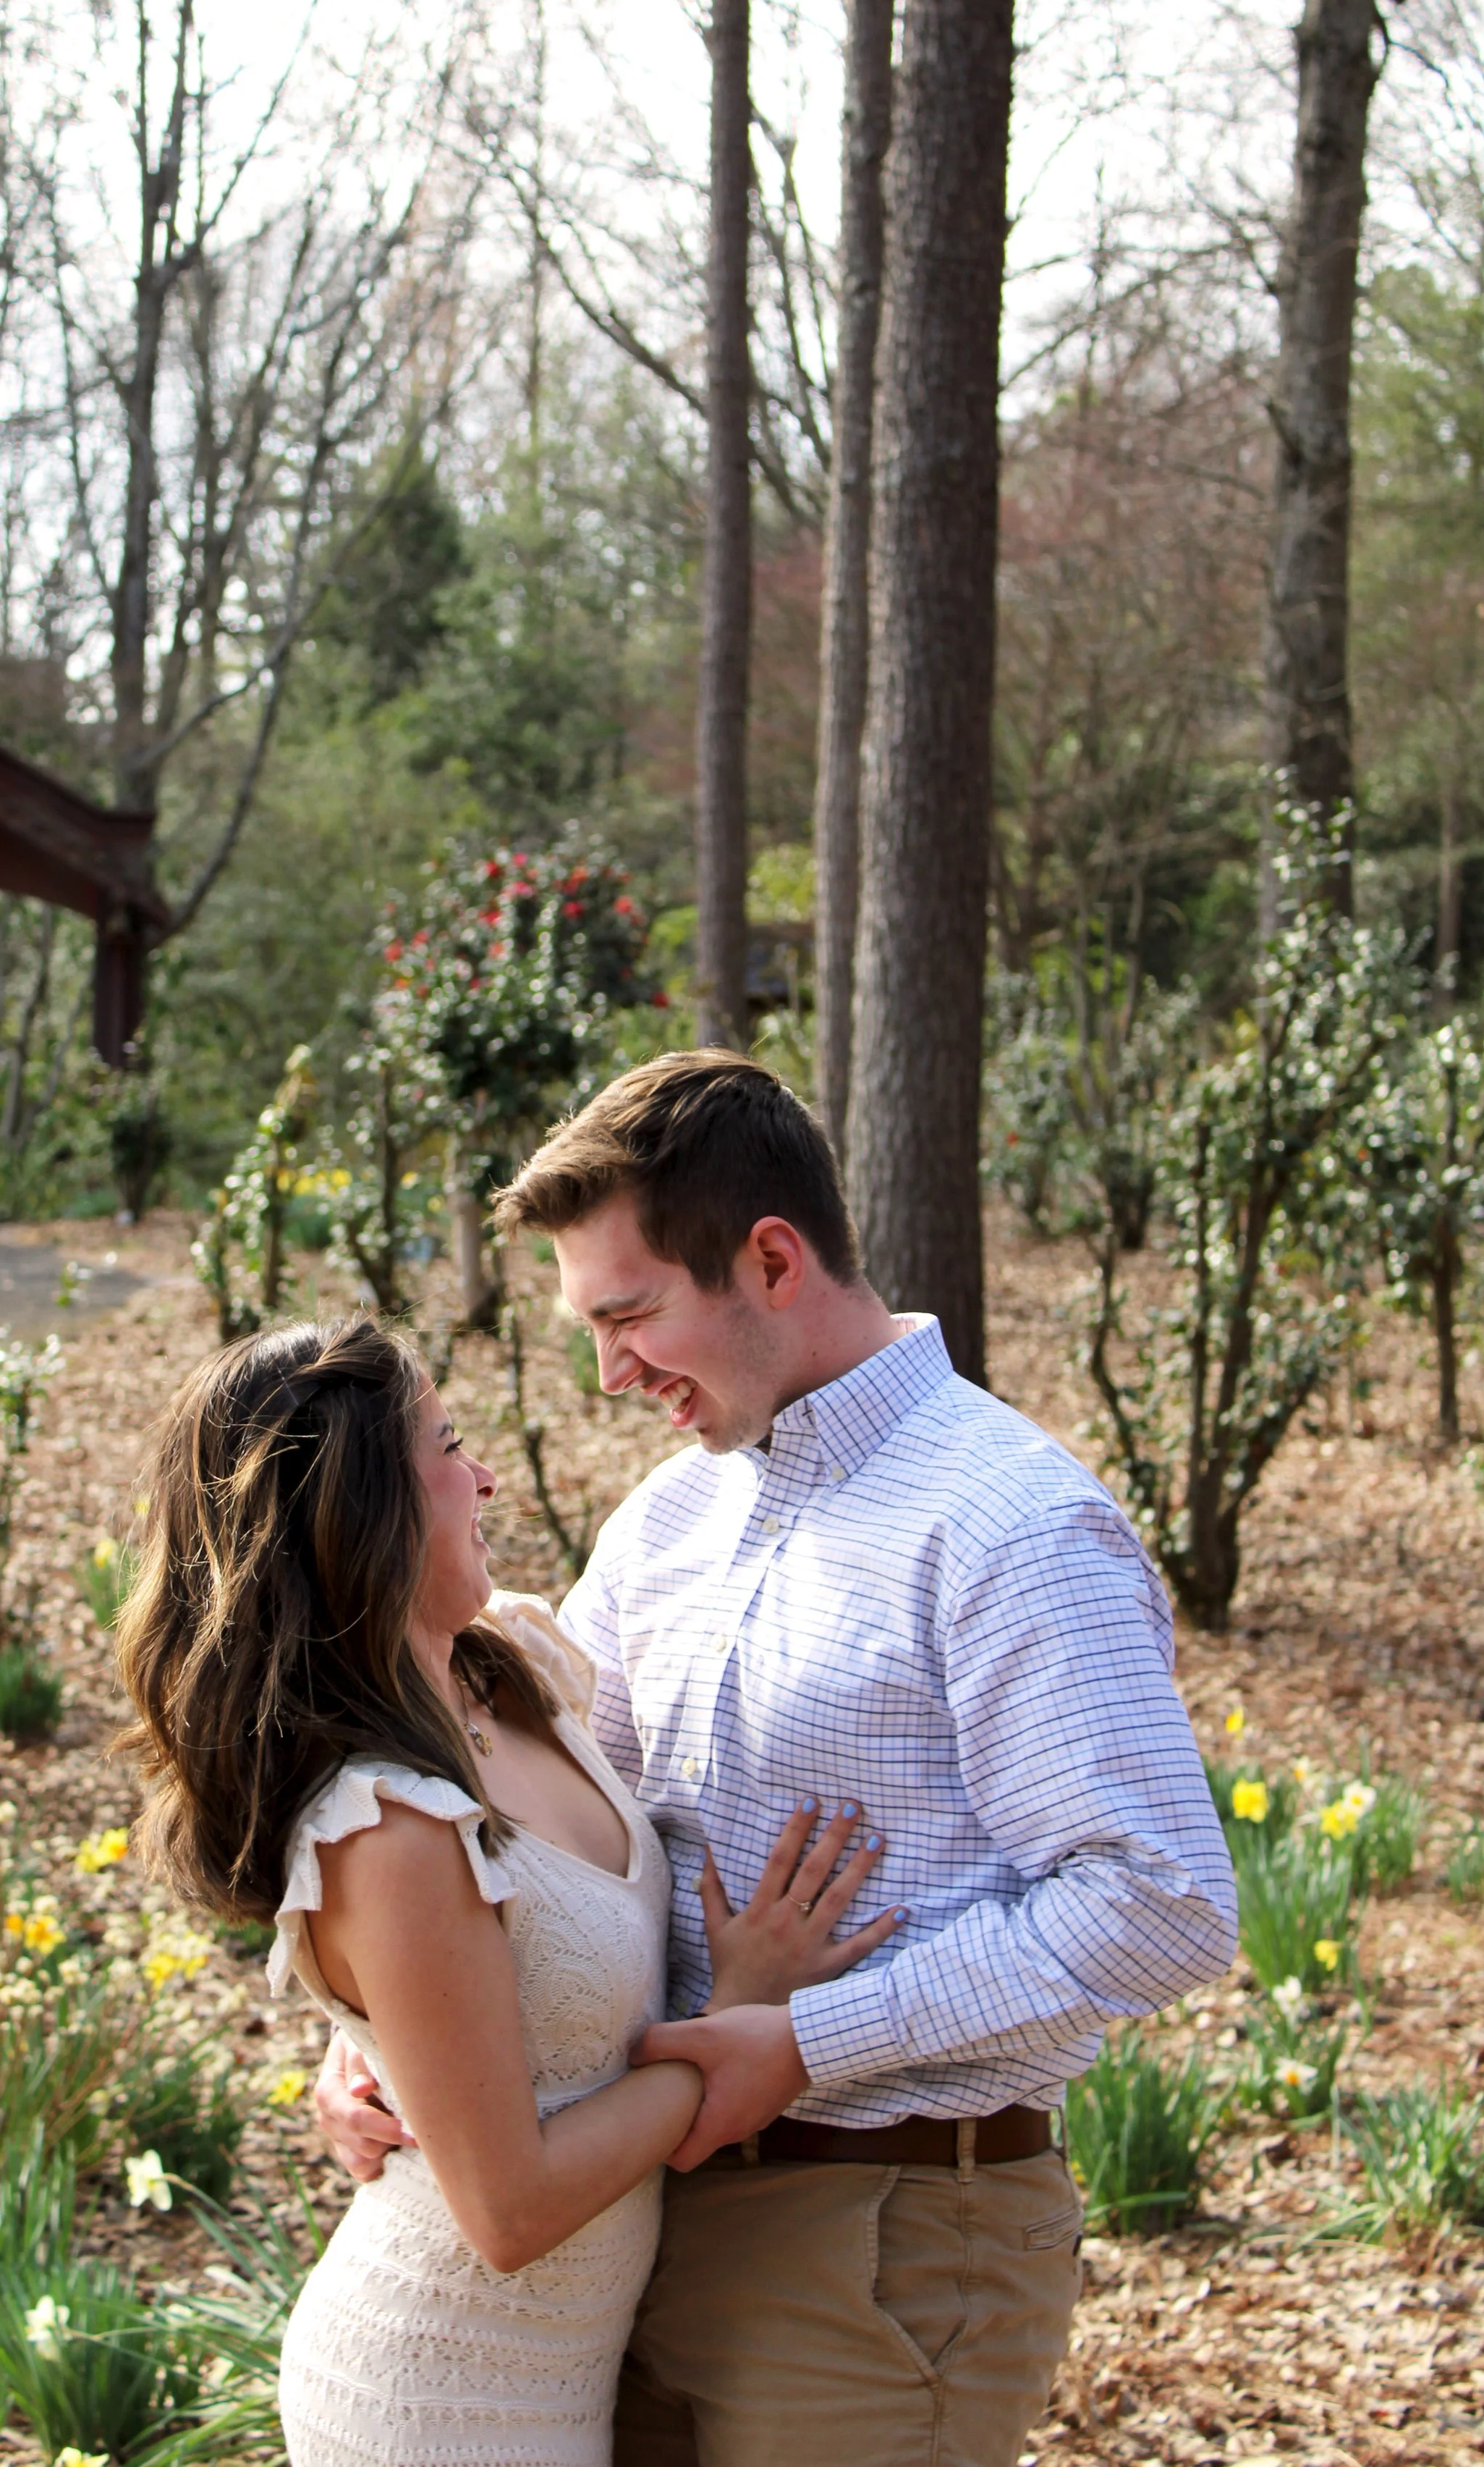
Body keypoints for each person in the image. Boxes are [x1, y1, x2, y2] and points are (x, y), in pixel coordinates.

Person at [320, 1049, 1237, 2467]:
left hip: (882, 2232)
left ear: (768, 1257)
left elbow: (1157, 1899)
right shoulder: (666, 1524)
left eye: (630, 1314)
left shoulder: (1006, 1524)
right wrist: (380, 2044)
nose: (609, 1370)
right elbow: (556, 1844)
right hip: (630, 2222)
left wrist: (803, 2042)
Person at [114, 1311, 901, 2467]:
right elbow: (510, 2210)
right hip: (443, 2398)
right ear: (362, 1511)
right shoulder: (387, 1827)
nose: (484, 1474)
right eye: (448, 1445)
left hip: (571, 2369)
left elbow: (505, 2003)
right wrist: (729, 2030)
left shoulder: (513, 1663)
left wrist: (377, 2051)